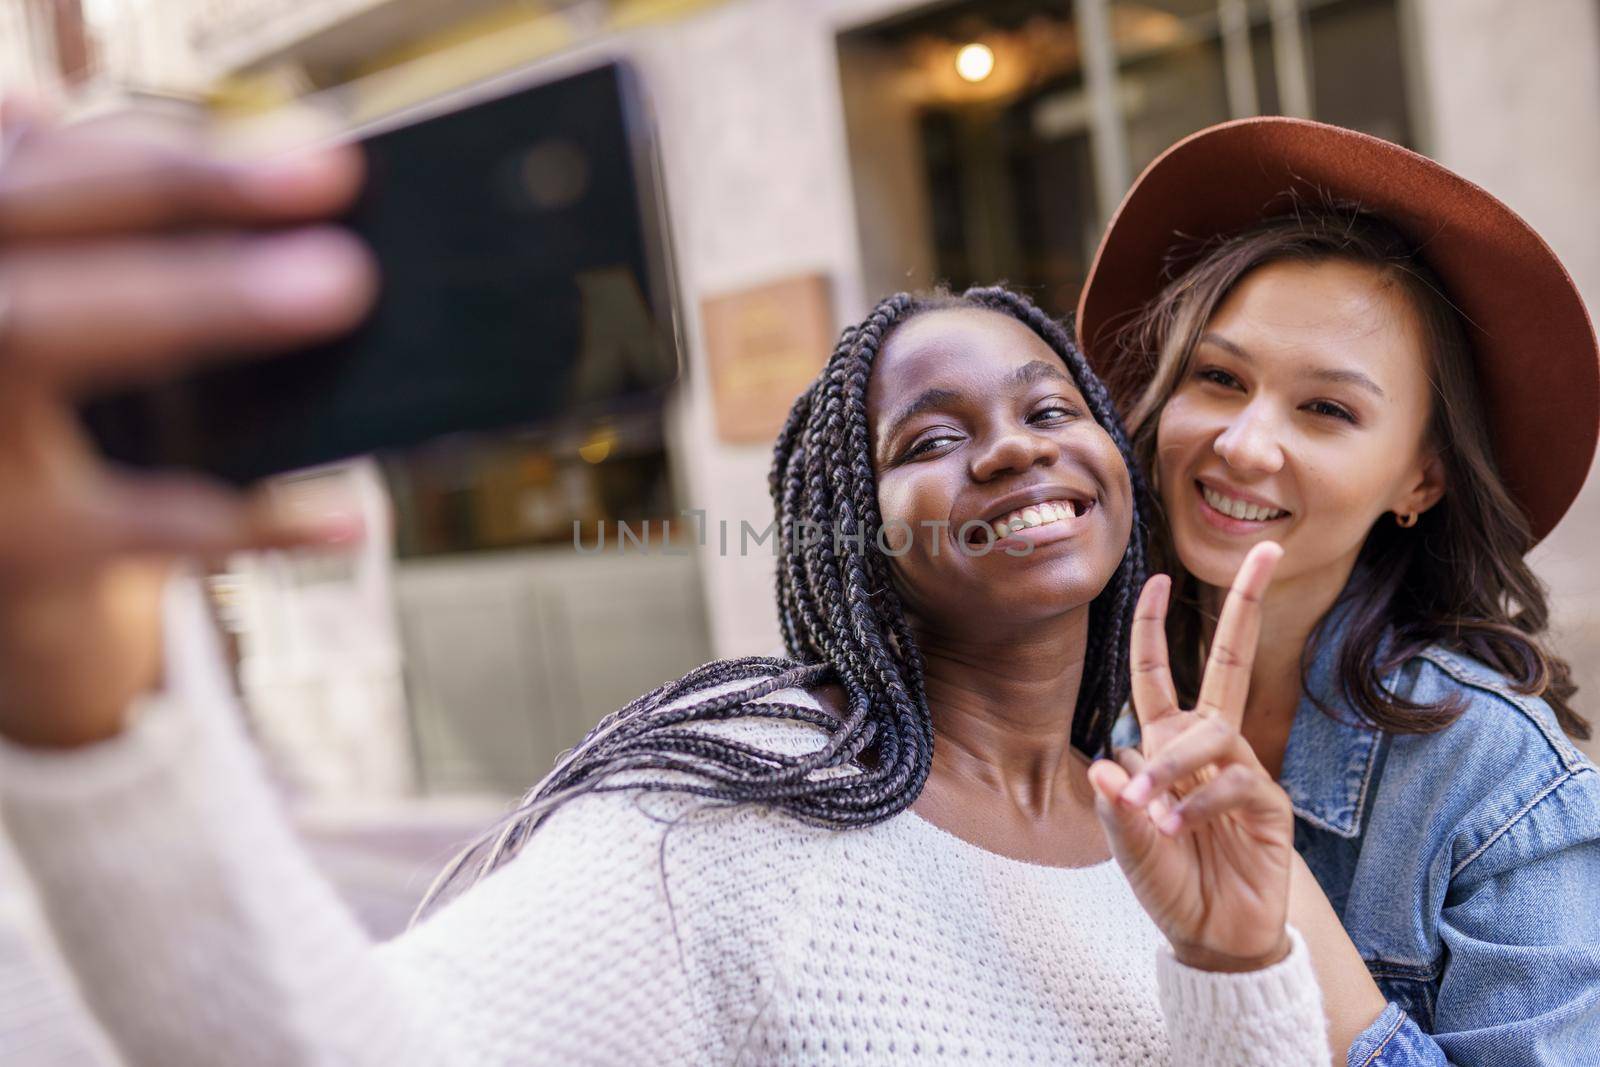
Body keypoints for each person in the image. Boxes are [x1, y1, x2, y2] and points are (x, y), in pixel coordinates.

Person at [0, 105, 1329, 1065]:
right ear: (849, 534)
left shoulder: (1164, 820)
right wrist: (80, 658)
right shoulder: (735, 806)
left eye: (1052, 404)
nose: (1015, 446)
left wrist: (1232, 961)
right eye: (929, 438)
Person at [1074, 116, 1600, 1066]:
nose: (1245, 443)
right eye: (1219, 377)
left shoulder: (1498, 783)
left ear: (1420, 481)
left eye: (1326, 409)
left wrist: (1278, 926)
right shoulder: (1075, 705)